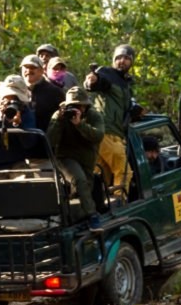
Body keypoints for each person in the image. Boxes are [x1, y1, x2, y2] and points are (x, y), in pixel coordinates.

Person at [84, 44, 144, 193]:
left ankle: (98, 206)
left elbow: (122, 106)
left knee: (101, 174)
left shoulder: (126, 83)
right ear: (113, 60)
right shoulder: (106, 73)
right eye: (118, 58)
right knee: (123, 172)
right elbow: (95, 83)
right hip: (106, 131)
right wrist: (92, 80)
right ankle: (120, 204)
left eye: (126, 58)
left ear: (132, 62)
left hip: (113, 133)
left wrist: (135, 111)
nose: (122, 61)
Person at [47, 86, 105, 229]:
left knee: (86, 188)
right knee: (79, 180)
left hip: (87, 157)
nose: (77, 109)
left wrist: (80, 125)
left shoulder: (93, 116)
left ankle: (77, 216)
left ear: (86, 106)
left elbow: (98, 136)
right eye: (73, 106)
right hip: (65, 156)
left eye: (80, 106)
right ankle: (92, 215)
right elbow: (50, 140)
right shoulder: (59, 116)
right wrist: (59, 121)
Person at [0, 75, 37, 179]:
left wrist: (19, 125)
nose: (11, 103)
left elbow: (29, 143)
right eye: (8, 98)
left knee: (27, 188)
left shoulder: (25, 110)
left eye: (16, 99)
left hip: (16, 162)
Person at [19, 54, 64, 132]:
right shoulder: (16, 90)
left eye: (33, 67)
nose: (28, 71)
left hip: (46, 140)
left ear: (42, 70)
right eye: (25, 67)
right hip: (20, 139)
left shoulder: (55, 92)